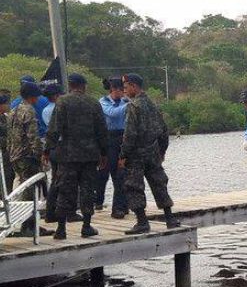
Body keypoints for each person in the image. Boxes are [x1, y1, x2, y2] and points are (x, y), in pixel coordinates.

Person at [44, 73, 107, 240]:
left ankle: (61, 229)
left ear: (70, 85)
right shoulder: (93, 103)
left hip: (67, 155)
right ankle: (86, 226)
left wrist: (47, 150)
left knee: (65, 190)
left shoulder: (62, 102)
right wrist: (104, 153)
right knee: (87, 190)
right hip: (89, 155)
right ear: (83, 85)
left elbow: (54, 129)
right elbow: (102, 131)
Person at [118, 73, 180, 234]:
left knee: (134, 186)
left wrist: (123, 155)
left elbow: (130, 134)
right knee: (159, 184)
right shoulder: (153, 105)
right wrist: (162, 150)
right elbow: (164, 131)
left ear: (133, 86)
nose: (124, 91)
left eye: (126, 87)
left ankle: (142, 222)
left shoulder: (134, 106)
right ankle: (170, 219)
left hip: (136, 155)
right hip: (153, 152)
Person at [7, 82, 53, 236]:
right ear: (33, 96)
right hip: (27, 157)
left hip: (15, 156)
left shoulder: (13, 111)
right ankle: (29, 225)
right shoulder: (29, 111)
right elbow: (33, 136)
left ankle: (23, 223)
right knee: (32, 190)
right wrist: (40, 155)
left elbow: (10, 136)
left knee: (23, 187)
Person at [96, 77, 129, 218]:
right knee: (103, 174)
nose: (121, 93)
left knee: (121, 174)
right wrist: (130, 104)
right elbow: (112, 113)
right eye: (119, 90)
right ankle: (98, 201)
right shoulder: (103, 102)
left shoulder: (124, 101)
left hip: (123, 137)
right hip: (108, 139)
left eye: (122, 90)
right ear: (112, 89)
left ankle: (121, 206)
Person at [40, 83, 66, 223]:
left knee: (55, 179)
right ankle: (55, 212)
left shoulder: (45, 110)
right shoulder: (59, 109)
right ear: (56, 96)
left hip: (52, 147)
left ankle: (51, 211)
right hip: (61, 145)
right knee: (61, 180)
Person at [0, 89, 14, 197]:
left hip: (7, 153)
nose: (9, 106)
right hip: (2, 152)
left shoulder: (5, 117)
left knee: (9, 176)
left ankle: (7, 197)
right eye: (6, 104)